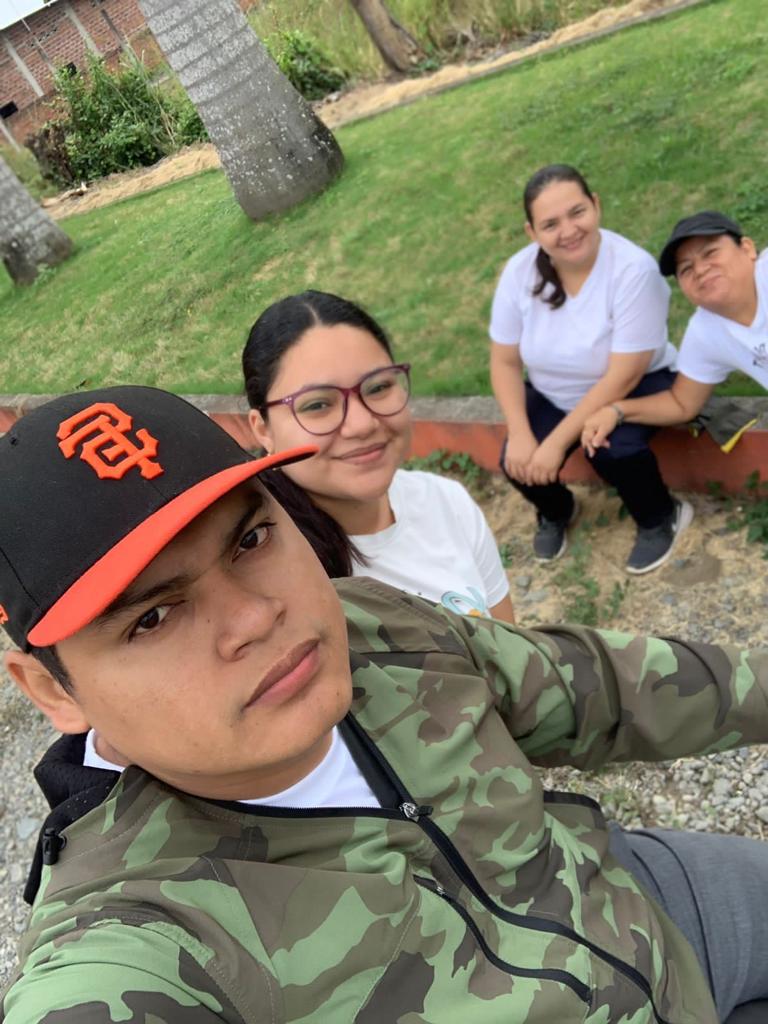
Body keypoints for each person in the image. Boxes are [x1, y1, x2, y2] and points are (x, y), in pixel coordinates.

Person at [2, 385, 768, 1023]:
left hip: (645, 907)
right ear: (50, 690)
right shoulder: (135, 940)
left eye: (250, 541)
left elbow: (601, 686)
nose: (255, 618)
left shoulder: (374, 624)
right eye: (152, 618)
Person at [243, 290, 515, 621]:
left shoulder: (446, 502)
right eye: (317, 404)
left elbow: (510, 645)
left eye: (378, 387)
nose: (362, 424)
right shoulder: (265, 582)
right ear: (264, 430)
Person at [489, 163, 692, 575]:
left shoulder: (633, 270)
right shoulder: (518, 272)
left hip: (635, 385)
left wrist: (556, 443)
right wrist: (523, 435)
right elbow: (504, 361)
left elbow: (624, 375)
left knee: (608, 448)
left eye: (577, 212)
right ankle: (557, 510)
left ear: (596, 205)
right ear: (532, 232)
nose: (568, 230)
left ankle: (661, 516)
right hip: (554, 390)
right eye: (550, 224)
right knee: (516, 459)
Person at [581, 211, 766, 453]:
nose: (700, 270)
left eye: (710, 253)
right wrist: (616, 411)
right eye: (686, 269)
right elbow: (682, 403)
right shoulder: (705, 331)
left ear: (747, 248)